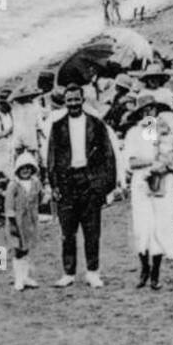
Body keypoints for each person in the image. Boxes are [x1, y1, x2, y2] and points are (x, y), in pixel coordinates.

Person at [45, 83, 118, 289]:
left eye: (77, 100)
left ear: (83, 100)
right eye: (69, 101)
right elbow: (51, 159)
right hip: (67, 183)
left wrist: (105, 187)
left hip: (90, 182)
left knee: (92, 230)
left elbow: (108, 156)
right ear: (65, 102)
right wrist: (54, 185)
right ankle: (68, 272)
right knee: (67, 231)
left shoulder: (95, 124)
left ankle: (93, 272)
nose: (74, 104)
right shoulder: (57, 126)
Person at [124, 97, 173, 290]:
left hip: (163, 181)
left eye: (152, 110)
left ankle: (156, 273)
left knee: (161, 224)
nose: (149, 113)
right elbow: (133, 162)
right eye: (145, 110)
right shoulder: (134, 133)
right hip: (142, 182)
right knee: (143, 226)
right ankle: (144, 268)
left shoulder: (163, 130)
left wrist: (166, 164)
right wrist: (153, 163)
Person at [4, 153, 42, 291]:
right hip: (16, 221)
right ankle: (18, 278)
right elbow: (8, 206)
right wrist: (12, 222)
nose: (26, 171)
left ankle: (25, 276)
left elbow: (38, 198)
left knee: (26, 249)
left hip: (29, 221)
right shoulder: (13, 185)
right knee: (18, 250)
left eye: (28, 168)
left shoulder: (35, 182)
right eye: (22, 168)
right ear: (17, 170)